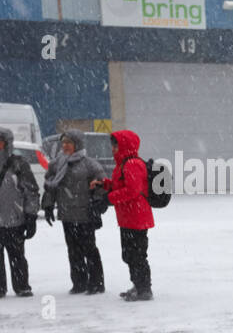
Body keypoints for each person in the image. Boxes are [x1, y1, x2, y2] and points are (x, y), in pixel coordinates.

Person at [42, 130, 107, 294]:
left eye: (68, 143)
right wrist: (48, 205)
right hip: (67, 214)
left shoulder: (89, 164)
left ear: (77, 145)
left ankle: (96, 283)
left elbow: (101, 184)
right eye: (63, 143)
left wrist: (98, 201)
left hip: (85, 215)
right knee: (73, 250)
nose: (65, 146)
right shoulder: (58, 163)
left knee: (89, 249)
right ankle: (79, 282)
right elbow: (50, 185)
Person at [92, 130, 154, 301]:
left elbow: (132, 191)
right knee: (129, 255)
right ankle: (138, 285)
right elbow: (121, 185)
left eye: (116, 145)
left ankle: (144, 289)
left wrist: (108, 198)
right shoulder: (123, 164)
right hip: (128, 218)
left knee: (137, 255)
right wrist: (105, 184)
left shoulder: (132, 164)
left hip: (137, 217)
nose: (112, 148)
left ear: (125, 145)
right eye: (112, 145)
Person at [0, 128, 40, 298]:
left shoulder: (19, 164)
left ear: (7, 143)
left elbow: (31, 191)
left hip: (14, 219)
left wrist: (31, 216)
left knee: (17, 255)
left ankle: (22, 285)